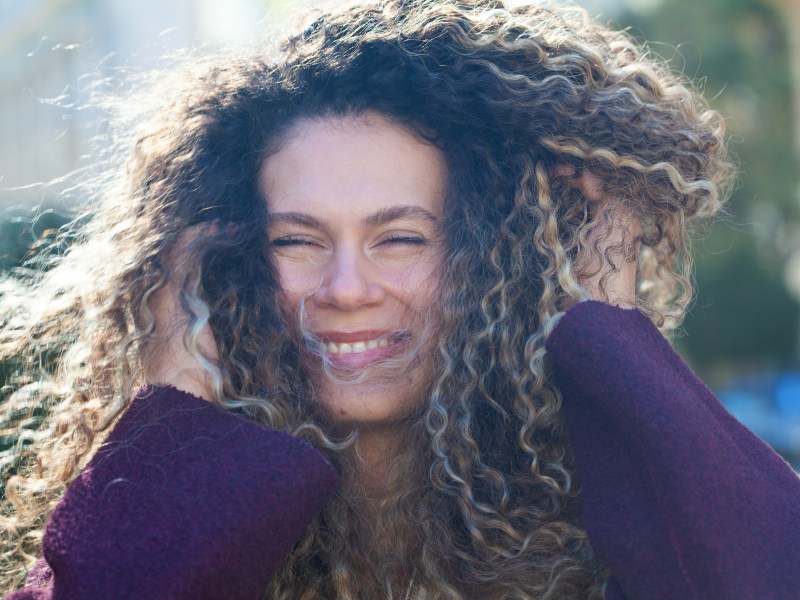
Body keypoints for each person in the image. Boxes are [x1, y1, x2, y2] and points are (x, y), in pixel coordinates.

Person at [1, 0, 798, 598]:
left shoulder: (608, 538)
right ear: (228, 263)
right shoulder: (181, 529)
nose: (347, 289)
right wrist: (171, 428)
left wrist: (607, 336)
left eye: (403, 238)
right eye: (297, 241)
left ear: (496, 257)